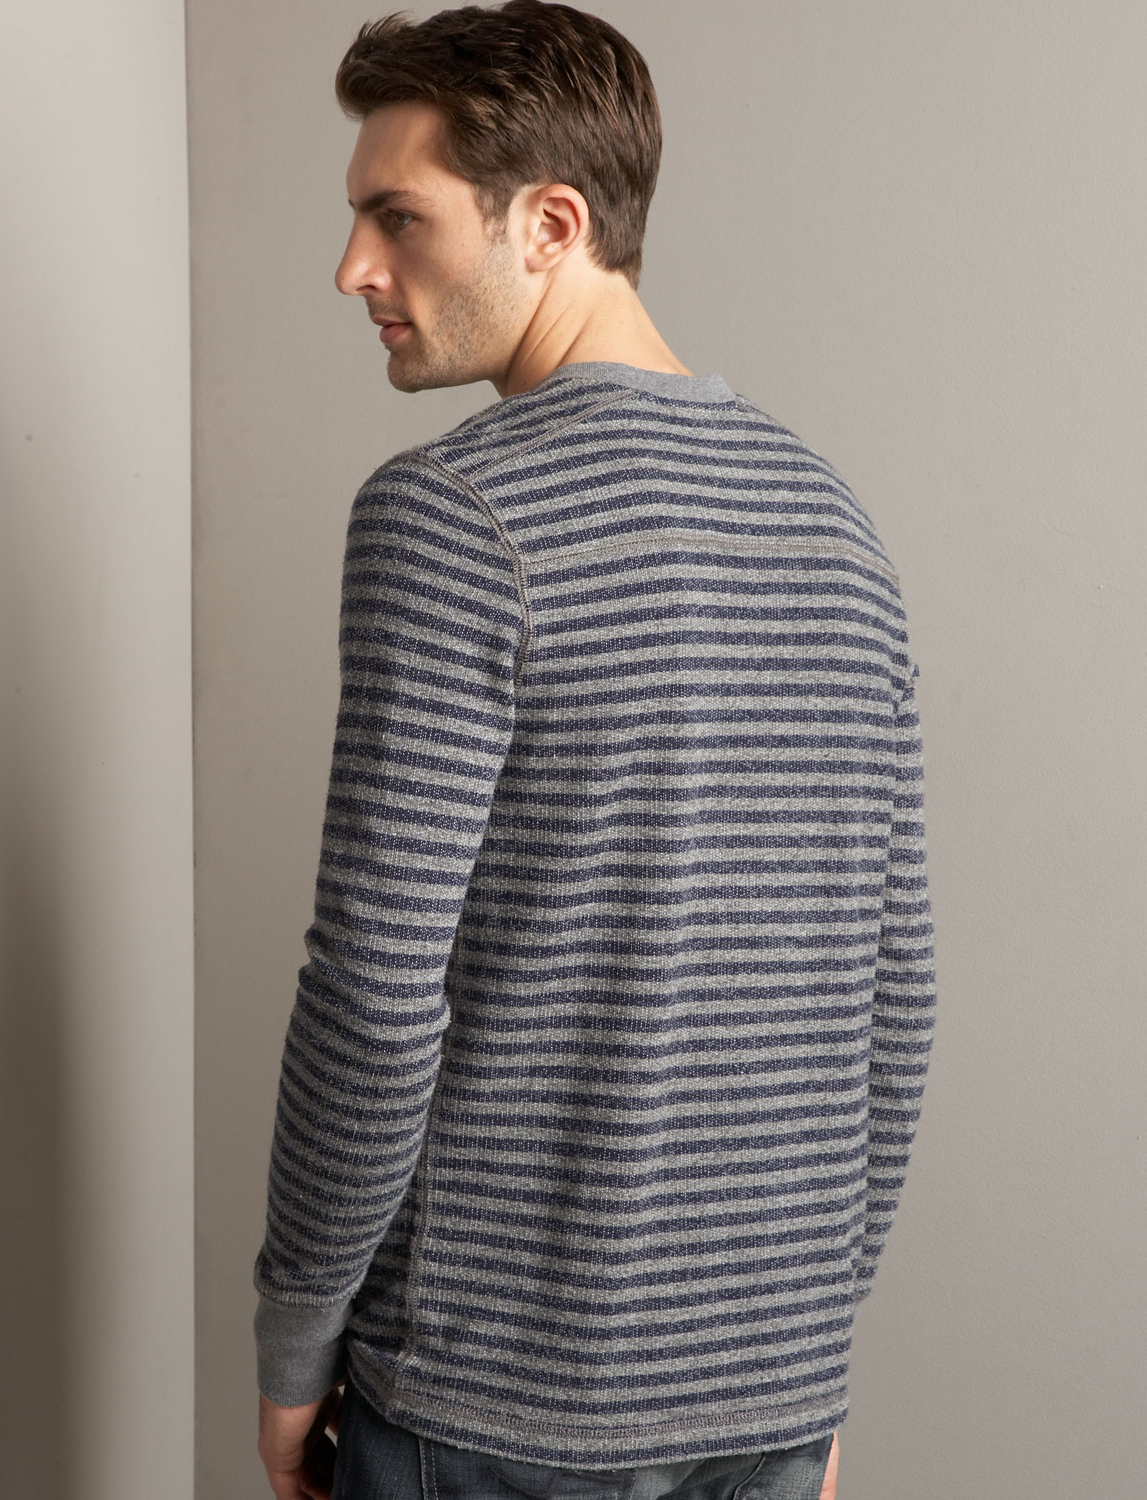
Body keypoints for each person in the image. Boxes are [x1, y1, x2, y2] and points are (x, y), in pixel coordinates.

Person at [252, 4, 936, 1498]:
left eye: (397, 216)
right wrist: (807, 1363)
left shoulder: (454, 519)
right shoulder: (837, 529)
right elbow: (893, 1003)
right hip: (766, 1404)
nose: (354, 267)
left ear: (551, 224)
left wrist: (296, 1343)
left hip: (491, 1410)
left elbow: (374, 996)